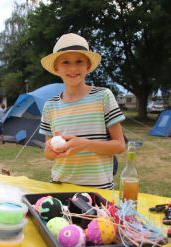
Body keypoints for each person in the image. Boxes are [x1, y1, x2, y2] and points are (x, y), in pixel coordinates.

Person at [39, 33, 126, 189]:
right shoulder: (50, 106)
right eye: (65, 62)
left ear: (88, 66)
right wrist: (52, 151)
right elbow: (47, 153)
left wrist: (85, 144)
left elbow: (120, 146)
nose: (73, 68)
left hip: (98, 191)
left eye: (79, 61)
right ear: (56, 68)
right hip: (60, 187)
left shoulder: (103, 96)